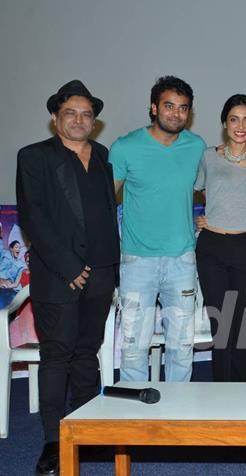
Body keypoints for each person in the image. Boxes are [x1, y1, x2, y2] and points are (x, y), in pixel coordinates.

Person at [16, 80, 119, 475]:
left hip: (102, 271)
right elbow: (34, 218)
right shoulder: (34, 157)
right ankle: (52, 441)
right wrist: (69, 267)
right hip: (59, 275)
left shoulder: (104, 155)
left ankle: (85, 430)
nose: (79, 120)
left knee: (86, 354)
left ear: (94, 121)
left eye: (87, 114)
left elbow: (105, 213)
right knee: (56, 356)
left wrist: (109, 268)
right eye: (71, 113)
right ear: (55, 118)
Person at [110, 76, 206, 382]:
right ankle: (134, 414)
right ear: (153, 108)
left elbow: (216, 188)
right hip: (138, 261)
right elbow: (102, 201)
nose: (176, 114)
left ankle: (178, 411)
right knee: (134, 345)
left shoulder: (197, 147)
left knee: (181, 345)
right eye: (168, 106)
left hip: (182, 260)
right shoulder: (125, 147)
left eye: (183, 108)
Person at [194, 94, 246, 381]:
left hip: (245, 246)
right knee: (221, 324)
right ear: (225, 123)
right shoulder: (209, 156)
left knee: (243, 323)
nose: (240, 126)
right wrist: (198, 218)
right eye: (234, 119)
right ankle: (221, 392)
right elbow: (195, 190)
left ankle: (242, 392)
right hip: (211, 247)